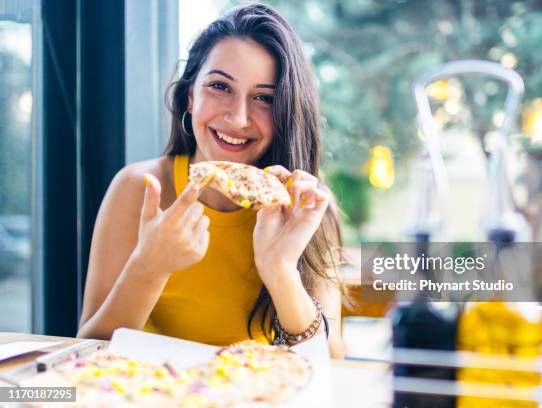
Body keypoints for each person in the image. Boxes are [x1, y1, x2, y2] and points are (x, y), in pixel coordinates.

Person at [77, 3, 347, 358]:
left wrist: (280, 271)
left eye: (264, 98)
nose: (237, 118)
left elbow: (330, 364)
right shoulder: (137, 188)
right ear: (190, 96)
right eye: (220, 86)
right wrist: (149, 268)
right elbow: (86, 349)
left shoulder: (305, 209)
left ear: (286, 112)